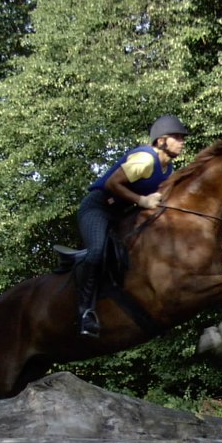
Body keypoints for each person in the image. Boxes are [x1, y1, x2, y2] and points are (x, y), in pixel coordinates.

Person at [74, 114, 189, 336]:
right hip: (98, 207)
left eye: (182, 138)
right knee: (97, 251)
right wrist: (142, 200)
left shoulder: (169, 171)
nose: (182, 142)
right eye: (177, 137)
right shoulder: (145, 159)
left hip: (120, 214)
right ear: (161, 141)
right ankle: (84, 311)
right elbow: (112, 183)